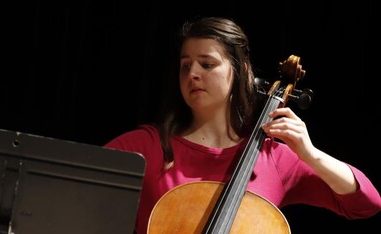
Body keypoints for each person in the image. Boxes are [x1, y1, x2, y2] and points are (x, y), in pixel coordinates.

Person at [104, 16, 381, 233]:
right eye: (185, 65)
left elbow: (365, 203)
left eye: (207, 64)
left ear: (240, 72)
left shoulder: (271, 157)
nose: (193, 74)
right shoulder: (146, 146)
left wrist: (309, 153)